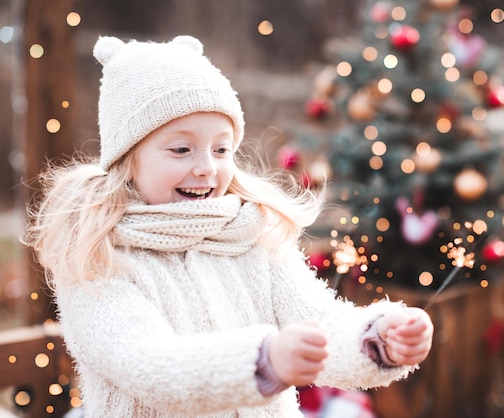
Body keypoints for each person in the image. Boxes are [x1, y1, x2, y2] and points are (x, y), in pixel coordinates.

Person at [24, 35, 433, 417]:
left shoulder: (250, 234)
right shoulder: (98, 256)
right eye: (181, 149)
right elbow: (149, 365)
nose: (205, 167)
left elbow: (318, 320)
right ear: (127, 160)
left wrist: (377, 340)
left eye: (221, 149)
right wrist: (265, 360)